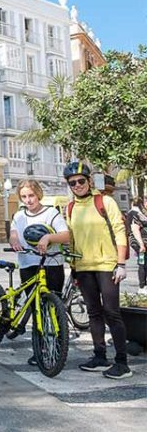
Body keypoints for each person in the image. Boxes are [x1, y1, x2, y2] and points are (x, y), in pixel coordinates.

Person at [64, 162, 131, 379]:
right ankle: (100, 355)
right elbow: (72, 238)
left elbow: (120, 232)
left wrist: (121, 264)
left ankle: (122, 363)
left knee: (112, 312)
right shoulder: (70, 208)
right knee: (93, 312)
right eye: (72, 183)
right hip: (83, 267)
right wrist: (73, 268)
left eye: (81, 180)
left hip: (107, 265)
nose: (77, 185)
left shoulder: (105, 201)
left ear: (89, 181)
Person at [126, 196, 147, 295]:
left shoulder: (139, 213)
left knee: (144, 264)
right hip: (140, 244)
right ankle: (142, 287)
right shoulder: (134, 213)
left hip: (142, 243)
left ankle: (144, 286)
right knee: (142, 264)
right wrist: (141, 244)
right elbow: (135, 229)